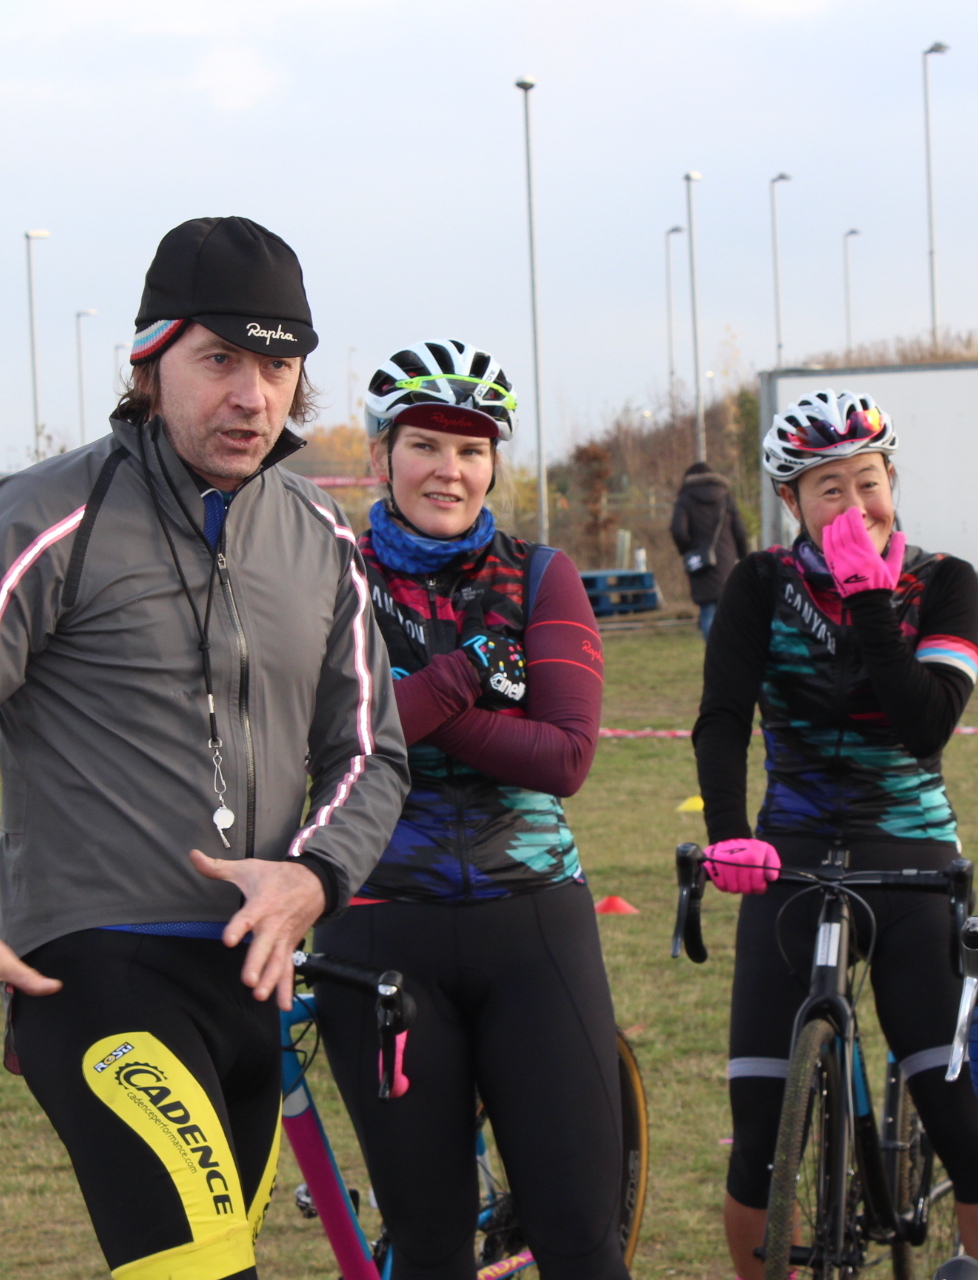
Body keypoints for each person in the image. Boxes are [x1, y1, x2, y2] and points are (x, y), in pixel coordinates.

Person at [0, 216, 410, 1280]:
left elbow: (371, 753)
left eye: (278, 367)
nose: (253, 396)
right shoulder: (48, 519)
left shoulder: (319, 535)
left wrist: (315, 876)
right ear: (150, 360)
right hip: (98, 970)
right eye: (221, 360)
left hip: (255, 984)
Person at [692, 390, 978, 1275]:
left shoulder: (945, 581)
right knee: (757, 1139)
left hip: (911, 853)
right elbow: (723, 719)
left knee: (963, 1124)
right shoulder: (761, 584)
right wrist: (729, 833)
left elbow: (925, 725)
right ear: (792, 503)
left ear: (893, 482)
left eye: (868, 482)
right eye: (829, 489)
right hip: (791, 851)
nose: (855, 505)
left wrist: (874, 603)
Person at [309, 339, 628, 1280]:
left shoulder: (540, 574)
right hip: (377, 926)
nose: (449, 469)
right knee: (429, 1246)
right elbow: (320, 748)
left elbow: (564, 757)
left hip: (532, 924)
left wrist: (403, 703)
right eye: (425, 445)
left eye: (472, 449)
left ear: (493, 465)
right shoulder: (329, 573)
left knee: (580, 1239)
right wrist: (469, 676)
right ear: (381, 455)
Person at [671, 460, 751, 639]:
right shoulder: (726, 498)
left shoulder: (684, 499)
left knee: (707, 610)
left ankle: (713, 651)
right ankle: (730, 649)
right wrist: (744, 558)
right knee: (729, 609)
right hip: (726, 562)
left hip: (700, 561)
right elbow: (740, 532)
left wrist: (688, 550)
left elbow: (677, 530)